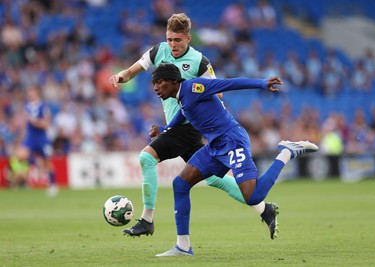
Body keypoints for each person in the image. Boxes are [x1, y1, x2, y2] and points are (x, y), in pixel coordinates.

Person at [109, 13, 273, 238]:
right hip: (176, 127)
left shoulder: (200, 62)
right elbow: (132, 71)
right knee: (215, 179)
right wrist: (120, 76)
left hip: (188, 127)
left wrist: (193, 95)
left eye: (177, 40)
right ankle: (264, 209)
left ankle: (147, 219)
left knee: (146, 158)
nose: (172, 45)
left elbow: (220, 92)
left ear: (188, 38)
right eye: (169, 39)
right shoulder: (158, 52)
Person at [150, 63, 318, 256]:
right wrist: (165, 129)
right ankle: (183, 246)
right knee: (180, 184)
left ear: (173, 82)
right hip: (214, 146)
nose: (155, 88)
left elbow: (227, 84)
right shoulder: (182, 98)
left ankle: (287, 152)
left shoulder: (193, 87)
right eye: (154, 83)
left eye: (159, 82)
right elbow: (184, 113)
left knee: (253, 197)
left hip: (232, 141)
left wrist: (262, 83)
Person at [22, 84, 58, 196]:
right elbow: (25, 124)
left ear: (36, 93)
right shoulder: (27, 106)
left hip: (42, 137)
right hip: (30, 137)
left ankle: (53, 184)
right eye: (28, 92)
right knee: (22, 156)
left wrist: (34, 121)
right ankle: (26, 182)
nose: (29, 94)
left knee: (47, 161)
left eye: (31, 92)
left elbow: (46, 124)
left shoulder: (43, 107)